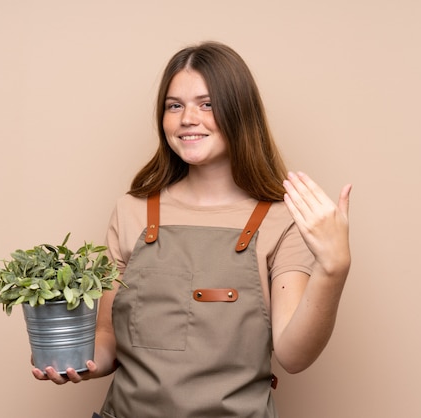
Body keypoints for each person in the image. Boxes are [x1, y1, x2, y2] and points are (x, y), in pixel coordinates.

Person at [33, 41, 352, 418]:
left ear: (239, 112)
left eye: (207, 104)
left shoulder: (282, 219)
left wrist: (333, 269)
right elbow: (108, 338)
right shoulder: (132, 210)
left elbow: (293, 355)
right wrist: (76, 362)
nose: (187, 118)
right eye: (174, 105)